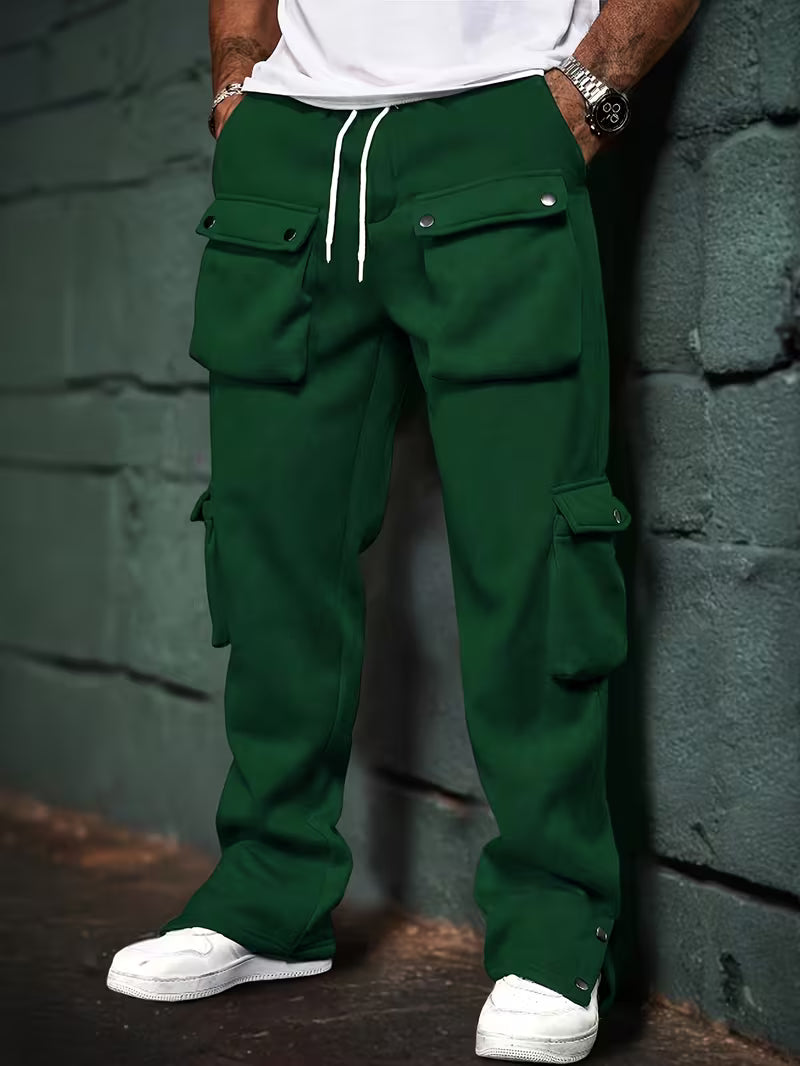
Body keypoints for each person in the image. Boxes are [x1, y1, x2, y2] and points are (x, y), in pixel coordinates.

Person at [106, 0, 700, 1060]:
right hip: (288, 145)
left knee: (532, 552)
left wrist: (592, 89)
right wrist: (238, 84)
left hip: (501, 123)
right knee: (268, 541)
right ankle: (268, 894)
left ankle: (554, 926)